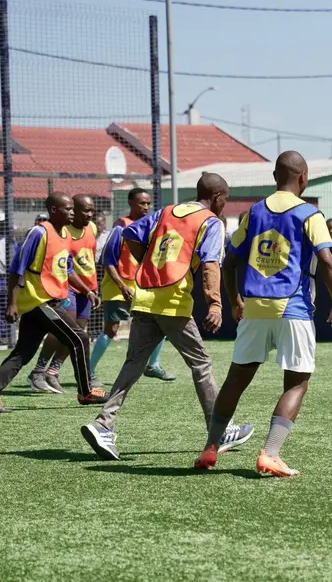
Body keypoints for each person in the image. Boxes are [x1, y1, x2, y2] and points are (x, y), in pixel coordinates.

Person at [193, 151, 332, 477]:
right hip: (294, 308)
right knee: (296, 382)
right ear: (303, 178)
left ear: (275, 176)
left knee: (237, 378)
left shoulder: (253, 213)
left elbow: (229, 261)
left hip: (254, 308)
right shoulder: (310, 214)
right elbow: (328, 261)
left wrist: (235, 300)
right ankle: (271, 454)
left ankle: (210, 447)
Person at [81, 174, 254, 460]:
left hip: (145, 296)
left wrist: (152, 264)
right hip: (172, 302)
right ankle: (220, 430)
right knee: (201, 364)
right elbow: (211, 265)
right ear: (218, 197)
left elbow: (131, 235)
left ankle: (103, 424)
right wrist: (215, 304)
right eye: (226, 199)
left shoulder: (167, 211)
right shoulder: (210, 222)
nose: (225, 204)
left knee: (133, 364)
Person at [0, 193, 104, 413]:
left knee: (22, 352)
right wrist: (12, 303)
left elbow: (67, 268)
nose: (72, 212)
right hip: (39, 301)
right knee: (80, 338)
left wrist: (87, 290)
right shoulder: (39, 232)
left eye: (73, 208)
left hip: (48, 301)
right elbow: (17, 269)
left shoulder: (64, 234)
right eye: (67, 208)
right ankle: (86, 392)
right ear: (53, 210)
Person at [93, 188, 175, 382]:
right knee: (111, 329)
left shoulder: (150, 227)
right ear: (130, 203)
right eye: (141, 203)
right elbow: (108, 261)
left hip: (140, 286)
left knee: (160, 323)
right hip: (117, 286)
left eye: (148, 203)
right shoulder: (121, 227)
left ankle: (153, 365)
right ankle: (90, 370)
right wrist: (122, 286)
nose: (146, 207)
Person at [26, 194, 101, 394]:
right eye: (85, 210)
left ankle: (53, 372)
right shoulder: (63, 230)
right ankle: (38, 372)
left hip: (88, 288)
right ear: (72, 210)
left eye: (92, 210)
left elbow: (90, 259)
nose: (90, 214)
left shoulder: (92, 228)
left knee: (79, 334)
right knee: (62, 331)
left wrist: (91, 288)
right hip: (66, 287)